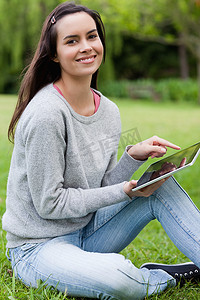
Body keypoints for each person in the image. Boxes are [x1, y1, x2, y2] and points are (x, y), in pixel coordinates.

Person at [2, 2, 200, 299]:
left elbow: (99, 188)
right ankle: (158, 278)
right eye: (72, 41)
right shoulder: (47, 114)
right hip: (39, 247)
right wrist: (126, 190)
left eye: (92, 36)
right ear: (54, 54)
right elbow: (50, 204)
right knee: (119, 279)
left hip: (88, 231)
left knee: (160, 185)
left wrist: (132, 158)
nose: (86, 47)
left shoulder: (108, 110)